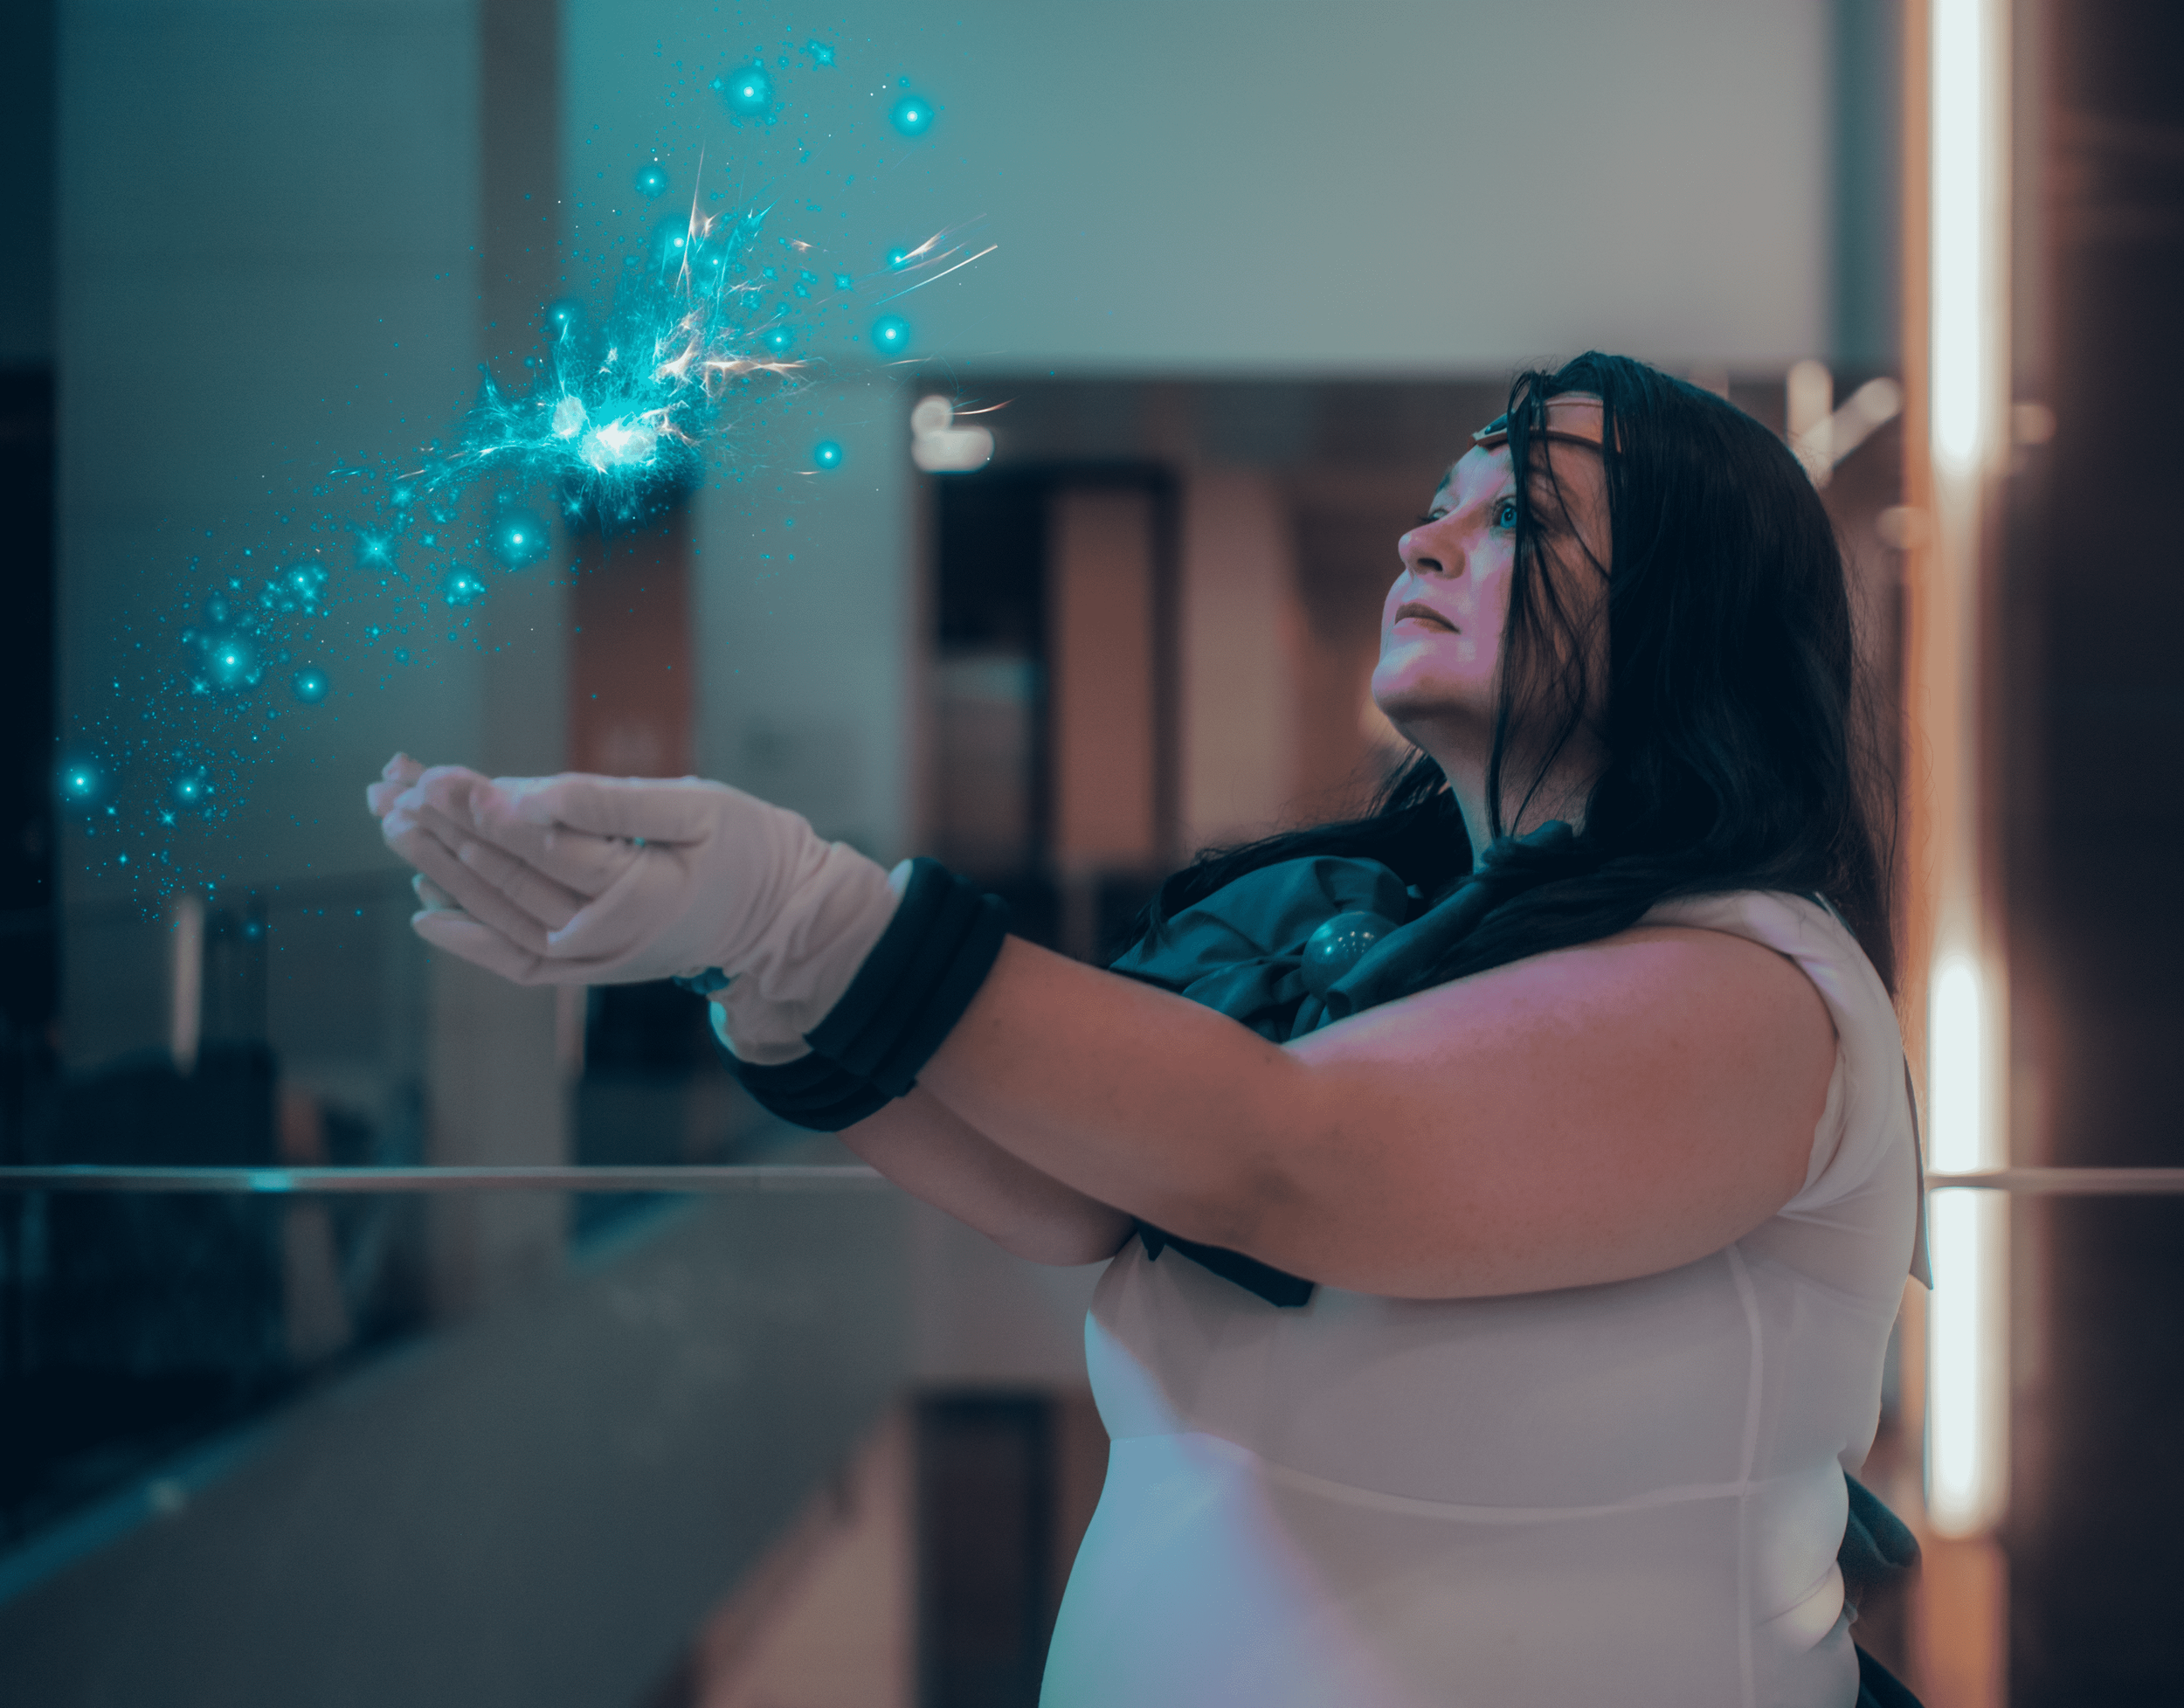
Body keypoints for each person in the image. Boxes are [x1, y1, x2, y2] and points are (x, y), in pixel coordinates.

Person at [369, 353, 1924, 1708]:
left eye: (1517, 513)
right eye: (1447, 497)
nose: (1425, 533)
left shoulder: (1754, 986)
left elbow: (1289, 1158)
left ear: (1687, 620)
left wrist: (816, 914)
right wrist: (750, 976)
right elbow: (1078, 1194)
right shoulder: (1389, 931)